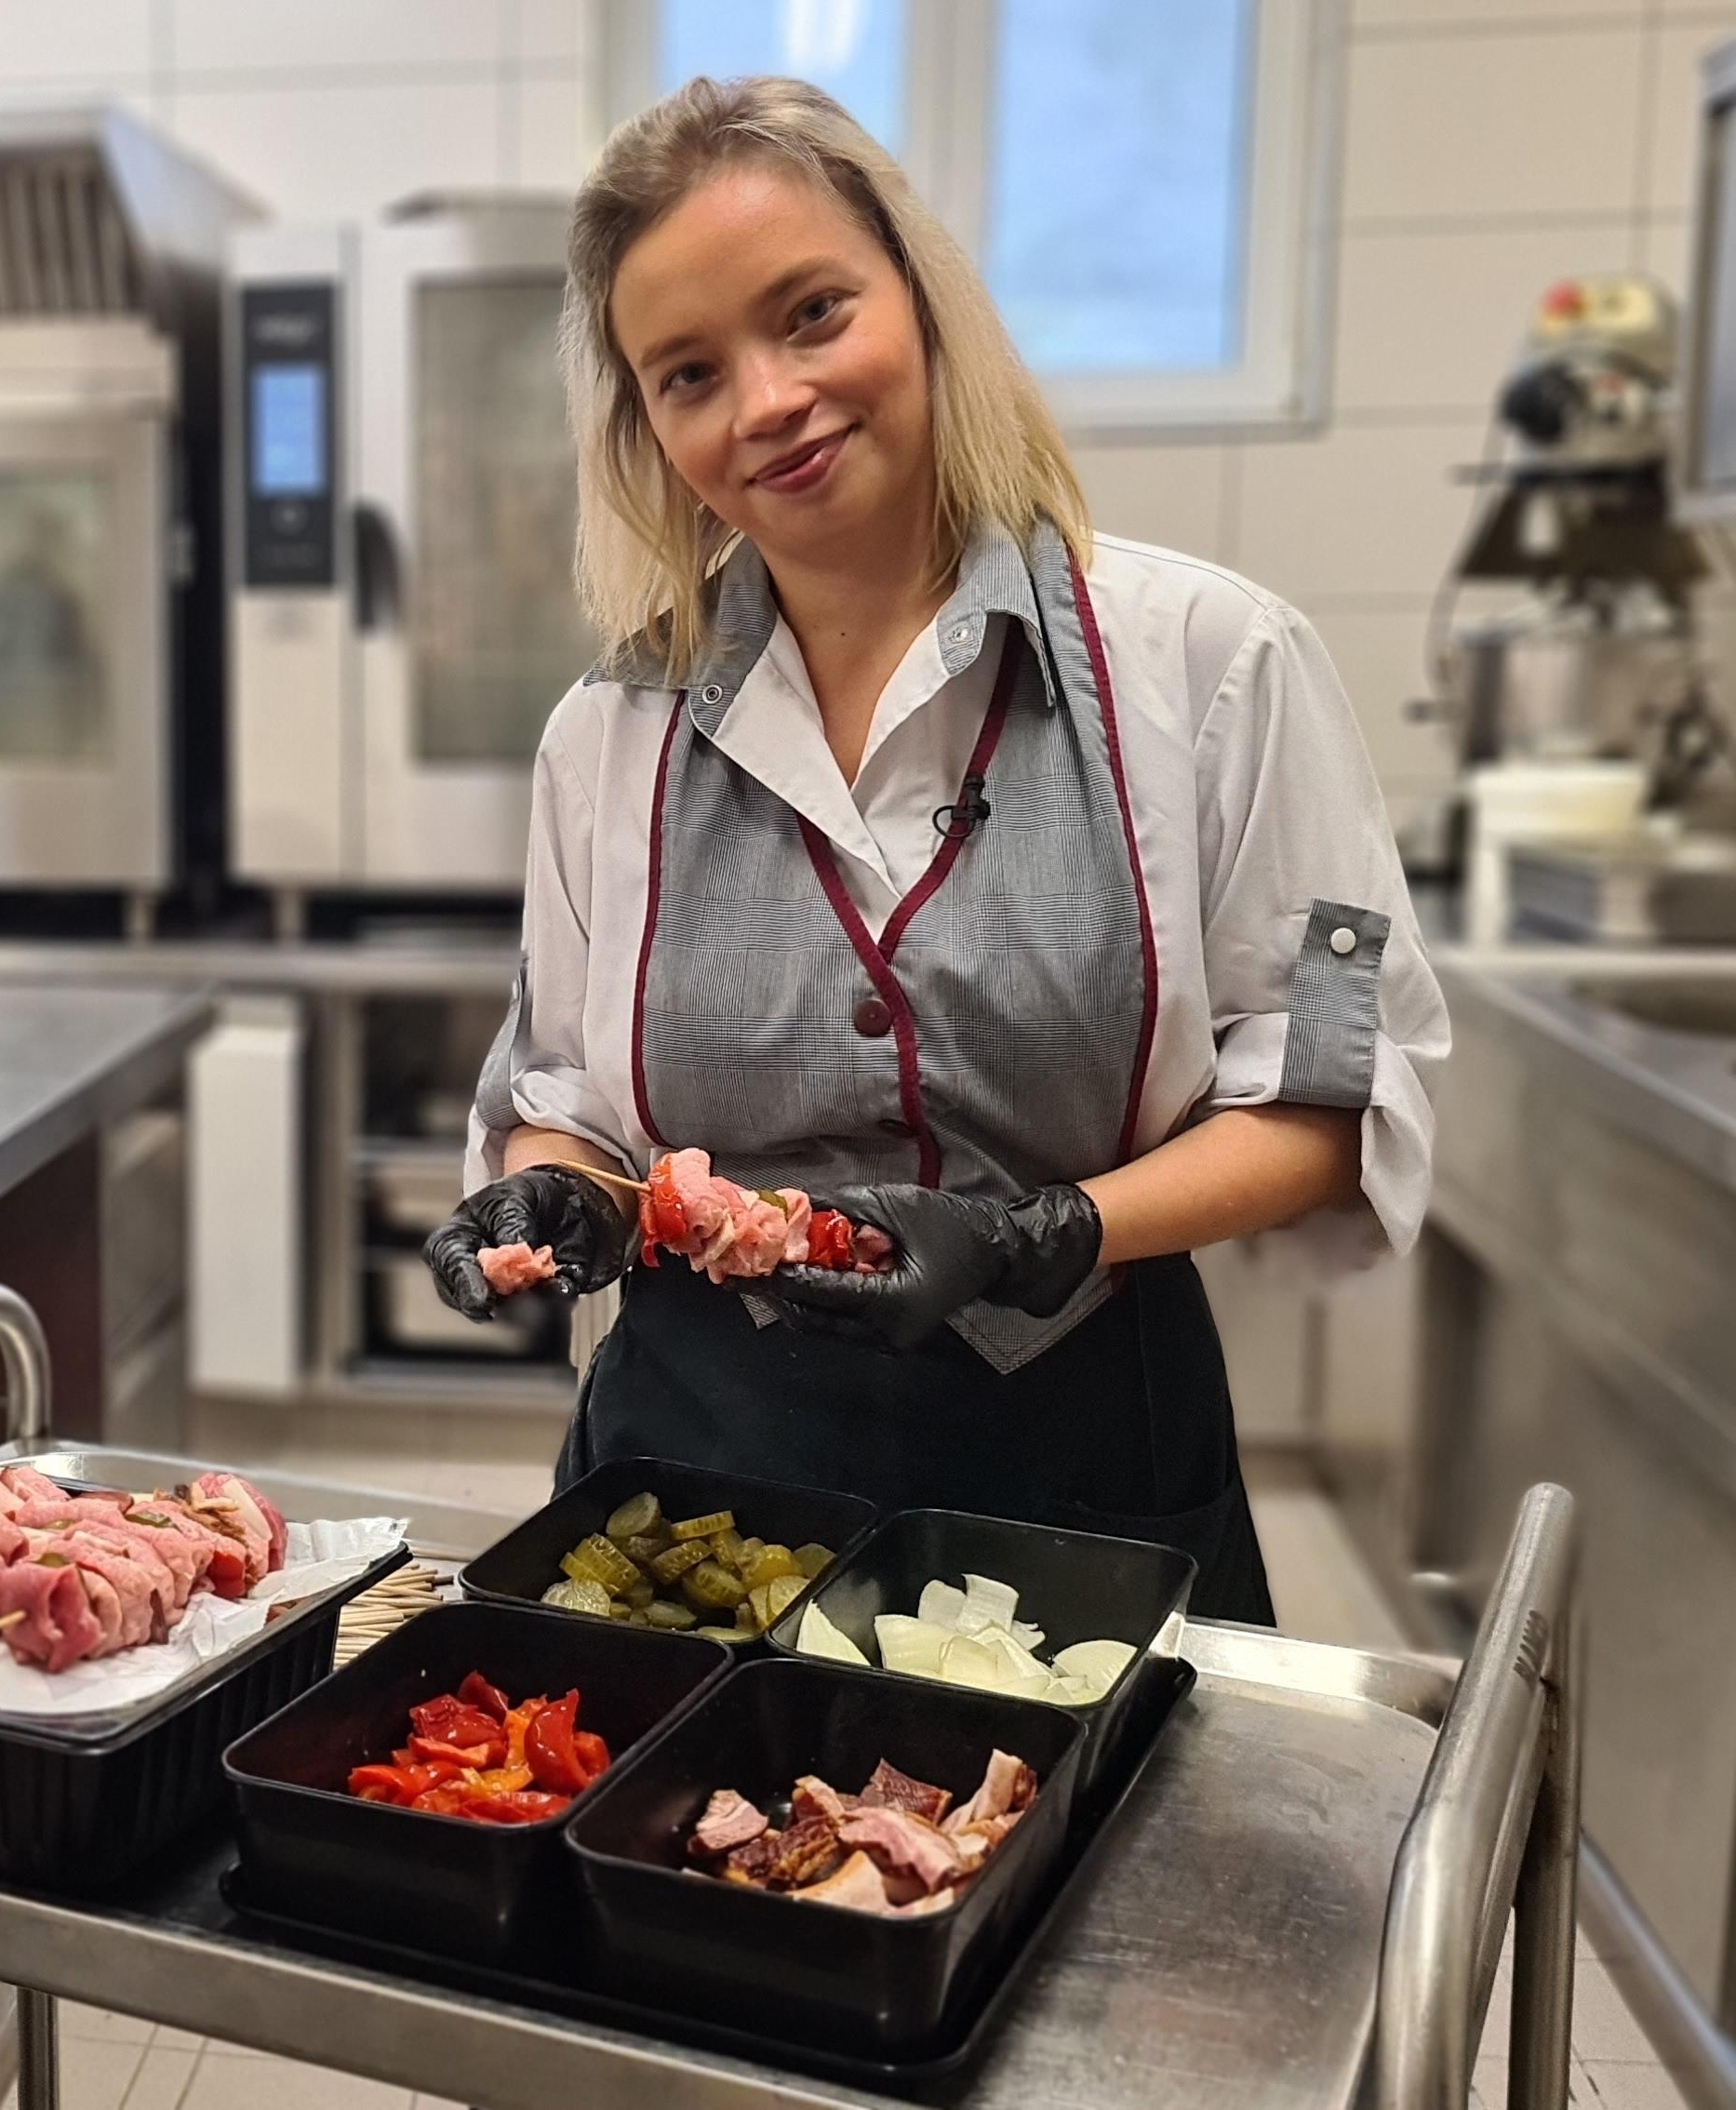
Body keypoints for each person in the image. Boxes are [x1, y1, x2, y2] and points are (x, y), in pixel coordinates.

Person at [419, 77, 1447, 1623]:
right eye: (690, 373)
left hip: (1083, 1478)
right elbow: (561, 1104)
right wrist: (559, 1200)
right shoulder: (609, 732)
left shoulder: (1215, 661)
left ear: (921, 296)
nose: (768, 400)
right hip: (688, 1493)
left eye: (812, 314)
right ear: (649, 426)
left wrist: (1046, 1234)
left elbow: (1323, 1100)